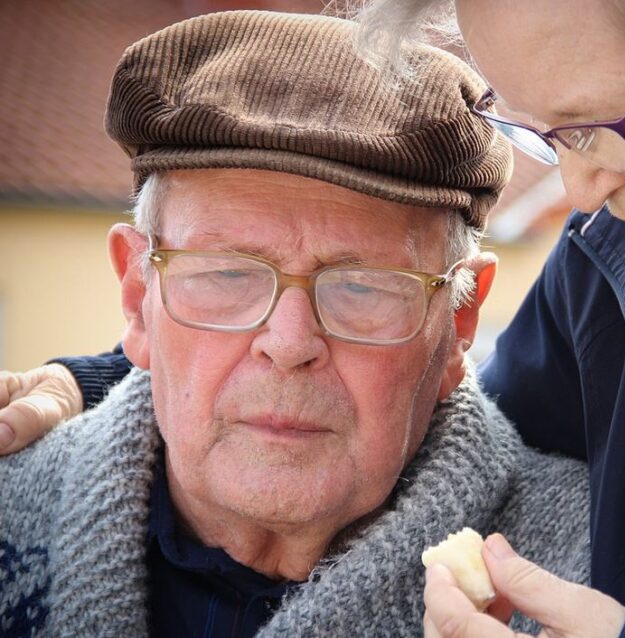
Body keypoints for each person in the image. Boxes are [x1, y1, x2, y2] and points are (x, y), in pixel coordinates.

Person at [4, 0, 625, 635]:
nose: (579, 194)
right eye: (539, 133)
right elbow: (410, 403)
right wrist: (100, 396)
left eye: (611, 122)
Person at [0, 11, 591, 637]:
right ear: (139, 293)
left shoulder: (598, 570)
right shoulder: (11, 507)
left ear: (459, 321)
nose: (289, 345)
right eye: (227, 274)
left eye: (362, 285)